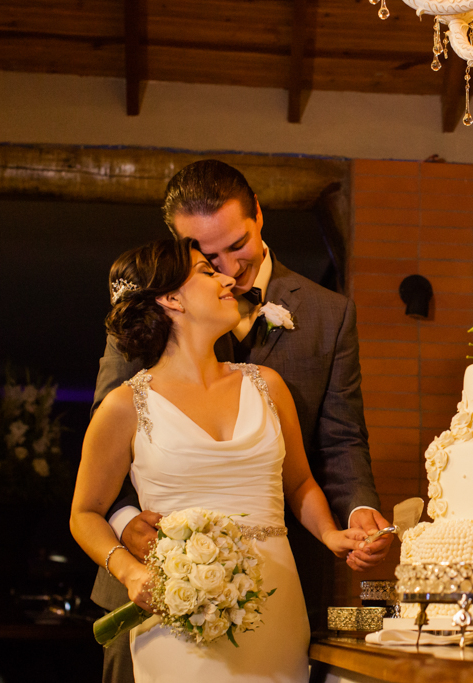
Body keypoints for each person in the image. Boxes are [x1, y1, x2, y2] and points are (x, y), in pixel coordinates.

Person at [90, 160, 391, 682]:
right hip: (155, 590)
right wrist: (124, 529)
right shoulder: (148, 309)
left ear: (258, 217)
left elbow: (341, 440)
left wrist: (355, 513)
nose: (229, 269)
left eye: (237, 245)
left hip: (278, 581)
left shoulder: (329, 314)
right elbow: (107, 440)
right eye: (208, 259)